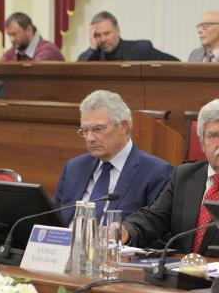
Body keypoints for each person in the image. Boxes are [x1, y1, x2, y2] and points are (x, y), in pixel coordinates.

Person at [121, 99, 219, 254]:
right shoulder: (184, 175)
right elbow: (155, 218)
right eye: (213, 136)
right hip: (181, 269)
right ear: (202, 144)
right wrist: (127, 231)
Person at [54, 90, 173, 224]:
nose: (90, 138)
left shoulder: (156, 172)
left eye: (98, 129)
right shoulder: (73, 168)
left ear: (123, 126)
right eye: (85, 131)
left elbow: (156, 229)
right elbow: (53, 220)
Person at [77, 11, 179, 62]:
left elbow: (176, 64)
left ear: (118, 30)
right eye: (98, 35)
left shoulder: (140, 49)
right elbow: (77, 72)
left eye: (107, 33)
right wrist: (92, 49)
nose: (103, 39)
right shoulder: (93, 56)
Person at [0, 12, 65, 61]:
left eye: (14, 34)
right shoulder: (15, 50)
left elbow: (32, 73)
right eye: (9, 35)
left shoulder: (47, 51)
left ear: (29, 30)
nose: (12, 39)